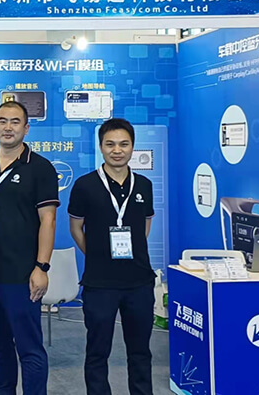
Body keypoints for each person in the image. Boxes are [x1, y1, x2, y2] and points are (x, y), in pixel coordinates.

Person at [0, 101, 58, 395]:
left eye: (15, 122)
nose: (8, 127)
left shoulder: (41, 168)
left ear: (26, 128)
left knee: (29, 348)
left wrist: (41, 267)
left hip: (22, 275)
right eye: (3, 121)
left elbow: (48, 220)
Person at [68, 118, 155, 395]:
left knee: (140, 352)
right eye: (110, 144)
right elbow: (76, 228)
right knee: (97, 352)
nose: (117, 150)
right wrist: (97, 255)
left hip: (139, 283)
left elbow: (145, 226)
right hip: (100, 284)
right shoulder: (85, 185)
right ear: (101, 147)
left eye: (123, 144)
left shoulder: (144, 185)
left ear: (132, 147)